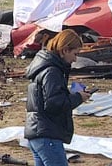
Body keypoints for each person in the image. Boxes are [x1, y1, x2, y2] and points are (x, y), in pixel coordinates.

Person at [25, 29, 91, 166]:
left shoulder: (44, 68)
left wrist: (71, 95)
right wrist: (78, 97)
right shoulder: (52, 71)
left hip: (38, 133)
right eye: (75, 54)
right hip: (47, 135)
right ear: (65, 50)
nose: (75, 59)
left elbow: (49, 98)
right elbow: (53, 103)